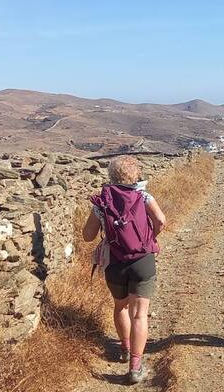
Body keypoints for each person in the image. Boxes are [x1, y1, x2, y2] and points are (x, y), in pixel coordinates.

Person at [82, 156, 166, 385]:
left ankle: (125, 348)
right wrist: (149, 239)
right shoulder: (144, 196)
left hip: (115, 262)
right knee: (139, 314)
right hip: (143, 261)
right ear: (135, 174)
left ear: (111, 175)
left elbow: (87, 236)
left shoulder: (101, 202)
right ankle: (135, 367)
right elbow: (160, 220)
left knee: (120, 306)